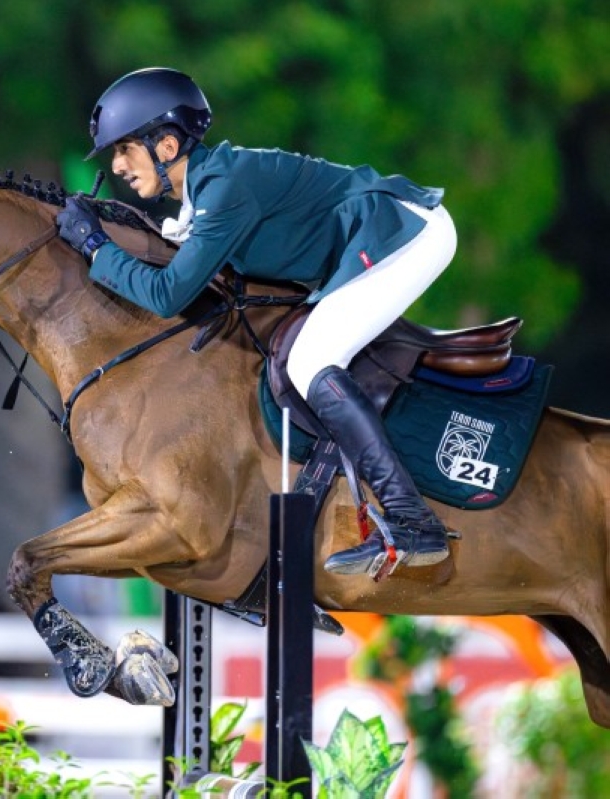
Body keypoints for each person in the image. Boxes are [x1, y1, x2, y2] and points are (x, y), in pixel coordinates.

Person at [57, 66, 456, 576]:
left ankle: (411, 519)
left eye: (125, 149)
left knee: (310, 359)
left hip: (403, 229)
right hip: (379, 232)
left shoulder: (224, 189)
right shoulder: (204, 195)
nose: (117, 166)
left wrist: (95, 247)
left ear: (168, 144)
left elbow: (166, 294)